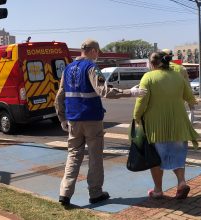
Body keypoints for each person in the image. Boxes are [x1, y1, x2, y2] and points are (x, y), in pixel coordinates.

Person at [54, 39, 147, 206]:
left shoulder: (67, 69)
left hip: (73, 120)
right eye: (98, 53)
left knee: (74, 155)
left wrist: (61, 118)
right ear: (93, 51)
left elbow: (59, 96)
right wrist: (131, 93)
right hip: (91, 119)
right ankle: (95, 193)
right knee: (95, 157)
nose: (97, 56)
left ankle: (65, 193)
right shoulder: (91, 67)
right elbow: (103, 90)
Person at [133, 51, 199, 200]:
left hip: (157, 126)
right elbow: (190, 97)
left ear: (152, 63)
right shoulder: (177, 76)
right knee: (177, 156)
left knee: (155, 158)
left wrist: (136, 117)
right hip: (179, 124)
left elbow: (141, 101)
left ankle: (157, 190)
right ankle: (181, 183)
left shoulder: (148, 77)